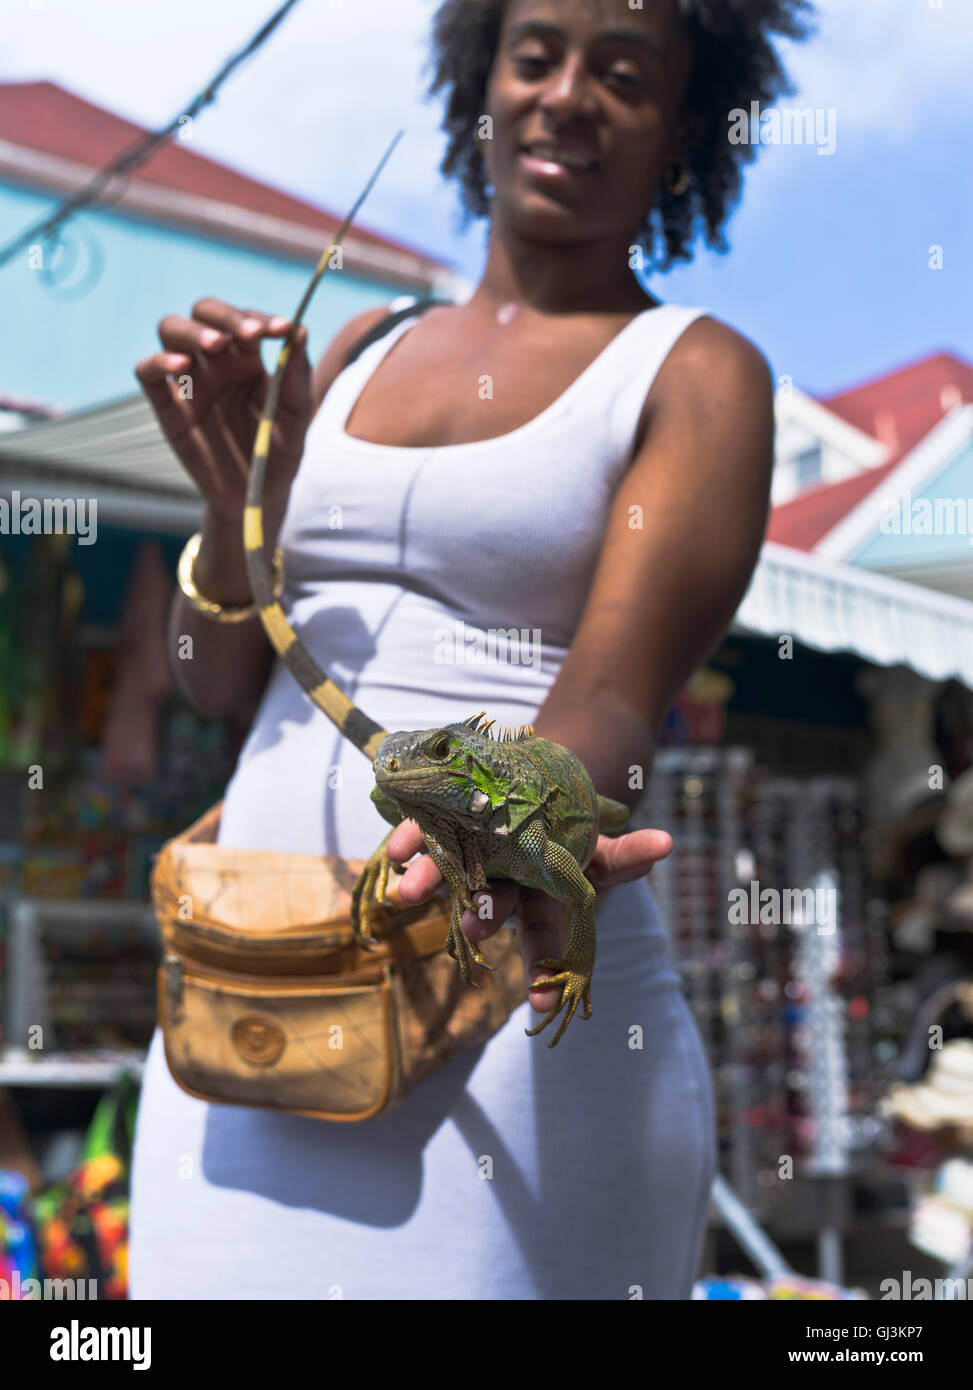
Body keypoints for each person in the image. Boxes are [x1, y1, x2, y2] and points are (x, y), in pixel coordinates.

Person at [129, 0, 812, 1299]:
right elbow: (215, 682)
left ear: (679, 129)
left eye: (622, 75)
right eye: (536, 55)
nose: (566, 96)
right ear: (479, 84)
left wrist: (504, 851)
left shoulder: (693, 371)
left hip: (506, 1011)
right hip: (248, 1003)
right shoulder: (356, 346)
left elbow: (611, 697)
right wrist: (229, 513)